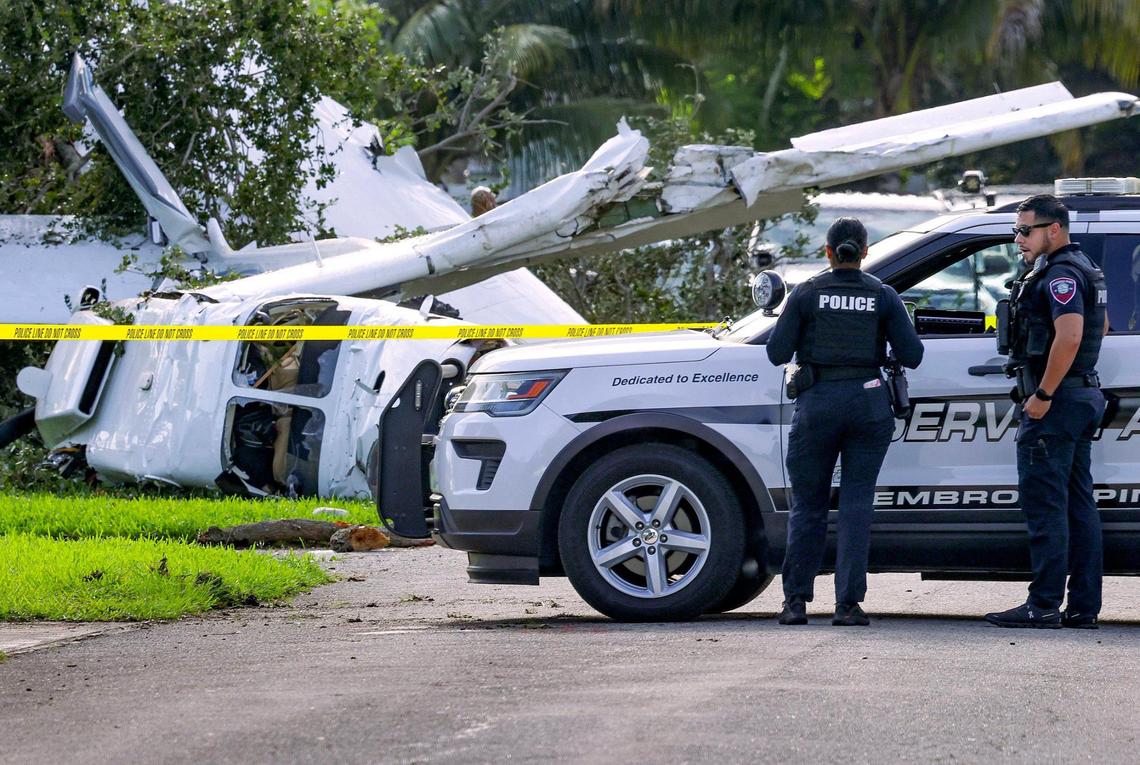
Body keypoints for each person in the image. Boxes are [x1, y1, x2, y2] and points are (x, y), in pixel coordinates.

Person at [767, 217, 924, 626]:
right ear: (865, 252)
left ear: (828, 251)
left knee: (809, 505)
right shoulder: (882, 295)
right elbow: (912, 355)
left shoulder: (807, 293)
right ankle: (848, 605)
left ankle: (795, 604)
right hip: (868, 405)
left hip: (817, 404)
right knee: (856, 505)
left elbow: (776, 351)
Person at [985, 195, 1108, 629]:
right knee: (1078, 505)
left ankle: (1042, 605)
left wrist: (1043, 392)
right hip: (1079, 398)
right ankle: (1083, 607)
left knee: (1046, 507)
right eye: (1016, 231)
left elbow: (1071, 336)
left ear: (1053, 229)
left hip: (1057, 404)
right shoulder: (1084, 267)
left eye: (1025, 230)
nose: (1018, 239)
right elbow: (1101, 326)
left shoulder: (1060, 275)